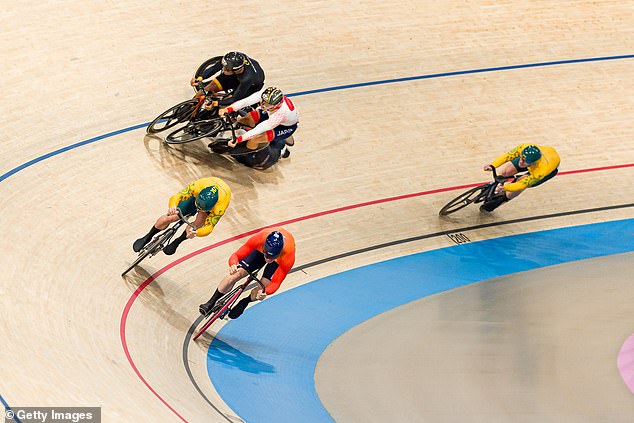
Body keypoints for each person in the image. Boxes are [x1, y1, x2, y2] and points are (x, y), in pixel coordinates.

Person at [199, 227, 296, 319]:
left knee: (263, 286)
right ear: (264, 249)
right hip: (259, 251)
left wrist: (265, 292)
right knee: (236, 274)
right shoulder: (258, 239)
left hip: (280, 260)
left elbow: (275, 283)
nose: (268, 260)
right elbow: (236, 255)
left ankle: (245, 301)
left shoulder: (288, 256)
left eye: (272, 258)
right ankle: (211, 302)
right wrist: (233, 264)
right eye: (266, 256)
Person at [133, 177, 231, 255]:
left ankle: (178, 241)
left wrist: (197, 232)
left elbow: (209, 227)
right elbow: (177, 196)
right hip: (196, 197)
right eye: (198, 207)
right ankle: (148, 236)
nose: (198, 210)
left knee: (197, 224)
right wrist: (173, 206)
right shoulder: (197, 186)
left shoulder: (219, 207)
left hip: (214, 203)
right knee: (172, 217)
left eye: (201, 209)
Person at [214, 86, 299, 169]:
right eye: (263, 102)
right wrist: (228, 109)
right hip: (272, 114)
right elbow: (245, 101)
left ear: (276, 105)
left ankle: (248, 153)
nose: (263, 106)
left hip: (284, 126)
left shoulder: (280, 114)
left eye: (267, 105)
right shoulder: (266, 96)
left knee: (256, 139)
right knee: (248, 118)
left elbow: (258, 130)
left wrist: (239, 139)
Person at [481, 143, 560, 212]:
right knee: (505, 171)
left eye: (525, 161)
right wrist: (493, 165)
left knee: (520, 181)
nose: (521, 162)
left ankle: (501, 200)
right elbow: (507, 156)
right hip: (534, 159)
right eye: (521, 157)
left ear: (533, 162)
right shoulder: (524, 148)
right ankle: (495, 189)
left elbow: (522, 184)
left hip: (548, 169)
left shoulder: (541, 171)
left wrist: (505, 188)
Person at [190, 51, 265, 107]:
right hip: (236, 76)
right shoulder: (233, 59)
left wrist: (217, 103)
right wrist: (201, 77)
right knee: (207, 88)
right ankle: (190, 109)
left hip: (251, 86)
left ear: (235, 70)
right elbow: (215, 67)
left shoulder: (247, 78)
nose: (223, 69)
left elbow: (234, 98)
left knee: (225, 104)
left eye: (226, 69)